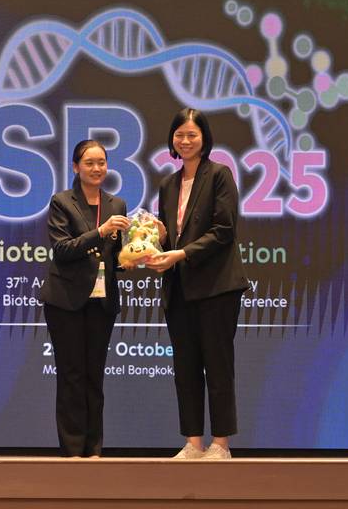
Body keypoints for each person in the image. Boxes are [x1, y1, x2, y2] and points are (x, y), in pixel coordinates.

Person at [147, 108, 248, 459]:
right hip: (179, 287)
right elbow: (171, 235)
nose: (185, 141)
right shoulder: (168, 184)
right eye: (179, 134)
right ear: (172, 139)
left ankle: (220, 443)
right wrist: (159, 239)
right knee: (186, 368)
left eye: (192, 134)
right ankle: (193, 442)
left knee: (217, 366)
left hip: (217, 286)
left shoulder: (219, 175)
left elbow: (224, 230)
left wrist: (180, 254)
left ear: (204, 138)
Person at [40, 140, 130, 457]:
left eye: (101, 162)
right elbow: (62, 249)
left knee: (94, 375)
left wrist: (134, 256)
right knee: (71, 375)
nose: (96, 168)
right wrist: (100, 231)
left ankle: (94, 449)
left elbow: (115, 256)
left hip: (102, 302)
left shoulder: (117, 204)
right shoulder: (62, 202)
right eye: (89, 163)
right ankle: (73, 449)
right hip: (66, 300)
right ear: (76, 167)